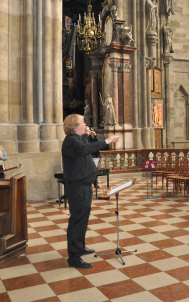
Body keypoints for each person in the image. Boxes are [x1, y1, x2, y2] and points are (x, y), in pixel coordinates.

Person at [62, 114, 119, 269]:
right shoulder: (71, 141)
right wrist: (106, 141)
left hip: (84, 186)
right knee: (77, 220)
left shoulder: (79, 139)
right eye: (83, 122)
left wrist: (93, 137)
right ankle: (74, 258)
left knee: (83, 220)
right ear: (74, 126)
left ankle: (79, 248)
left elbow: (90, 148)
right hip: (77, 187)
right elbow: (83, 150)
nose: (86, 124)